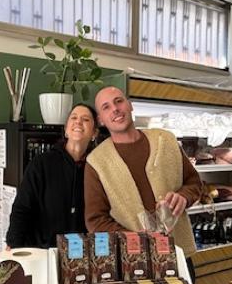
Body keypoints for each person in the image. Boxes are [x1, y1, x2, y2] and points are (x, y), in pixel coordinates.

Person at [84, 86, 202, 260]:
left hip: (179, 253)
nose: (115, 109)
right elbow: (96, 220)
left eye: (119, 101)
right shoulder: (96, 162)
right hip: (135, 261)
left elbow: (194, 182)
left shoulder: (165, 140)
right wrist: (132, 238)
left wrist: (184, 197)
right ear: (100, 120)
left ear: (130, 105)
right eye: (106, 107)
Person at [6, 103, 98, 249]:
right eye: (73, 118)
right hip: (43, 250)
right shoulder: (41, 163)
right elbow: (22, 207)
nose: (78, 122)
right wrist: (13, 244)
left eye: (85, 119)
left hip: (82, 253)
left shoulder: (97, 168)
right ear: (66, 130)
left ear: (94, 133)